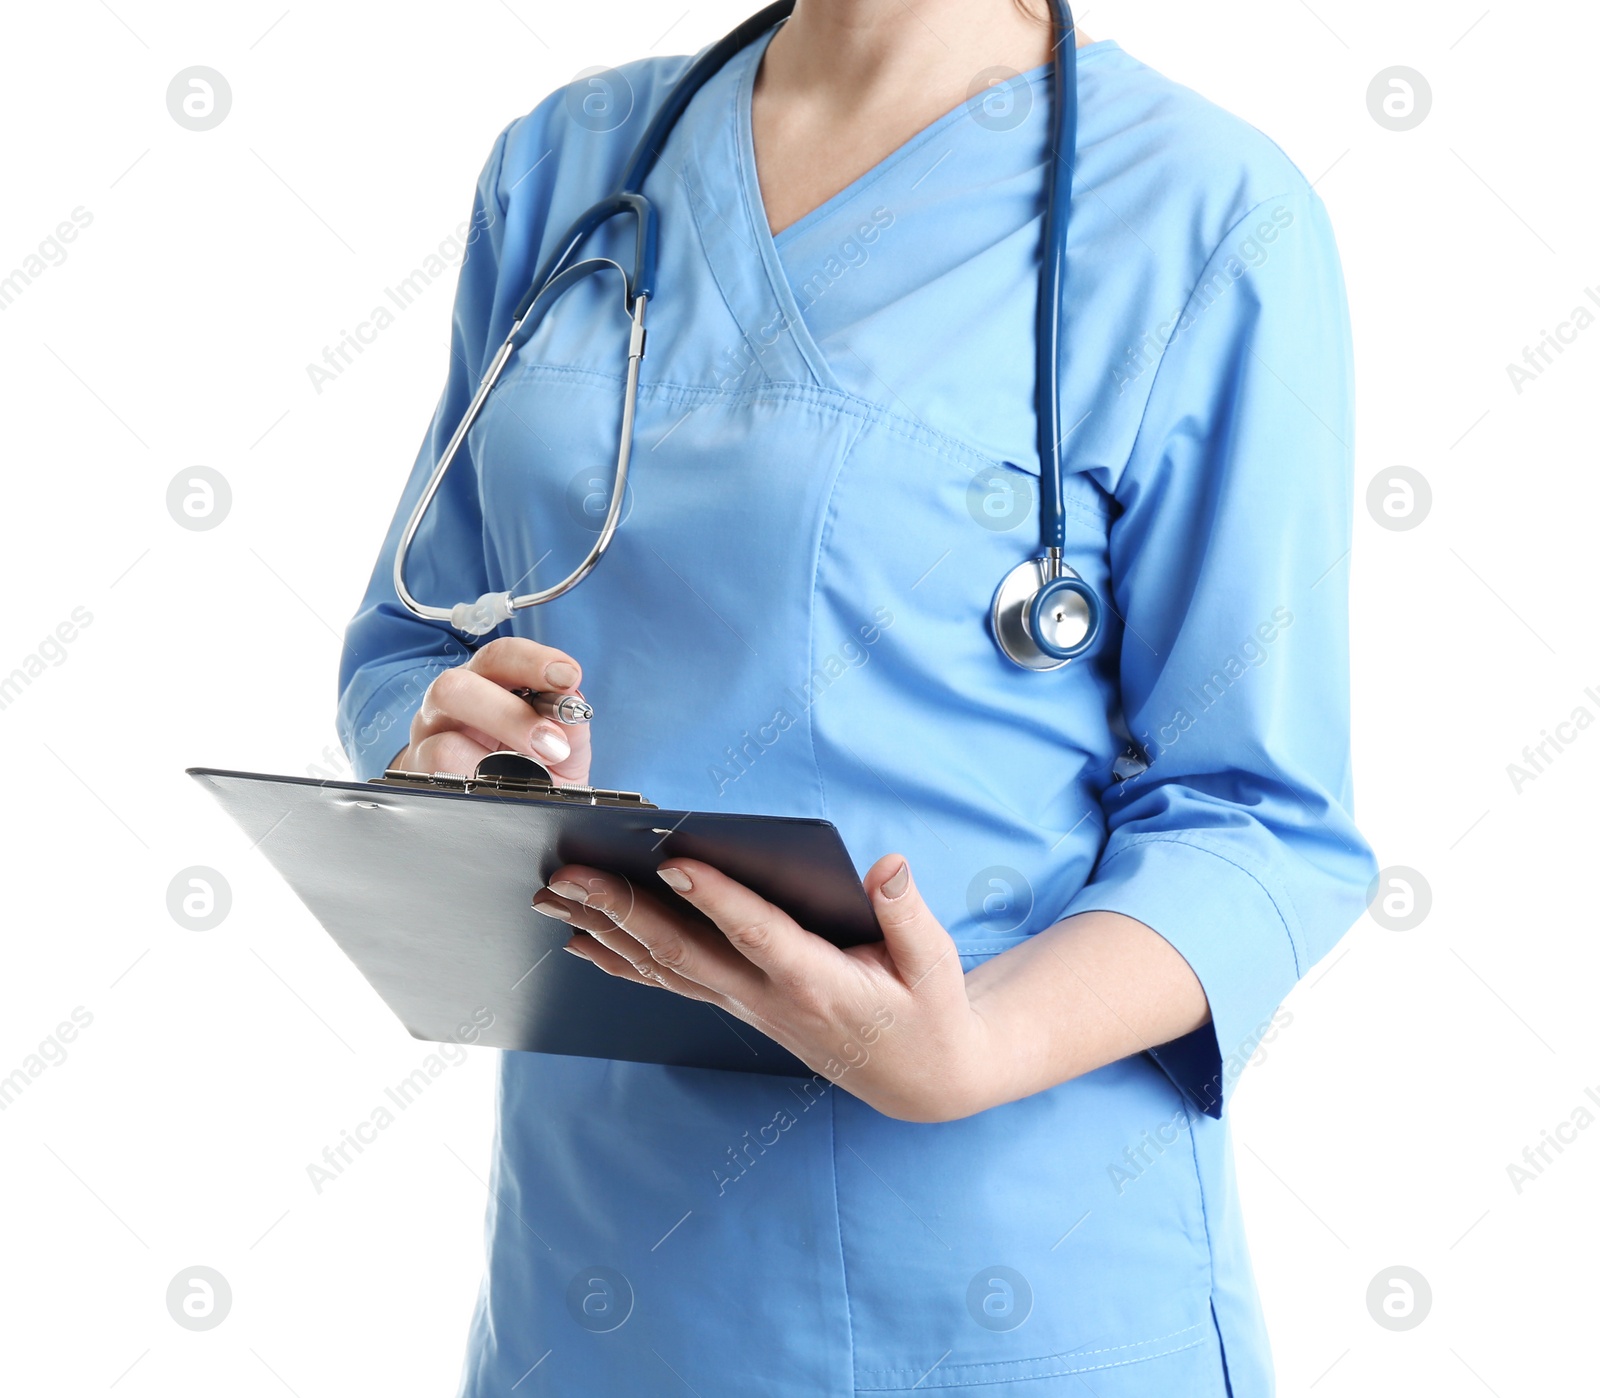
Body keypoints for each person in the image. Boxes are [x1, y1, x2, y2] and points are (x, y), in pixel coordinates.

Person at [337, 1, 1376, 1392]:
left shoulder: (1205, 214)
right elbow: (417, 633)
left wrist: (974, 1044)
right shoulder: (570, 161)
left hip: (991, 1278)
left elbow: (1263, 817)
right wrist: (448, 747)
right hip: (590, 1270)